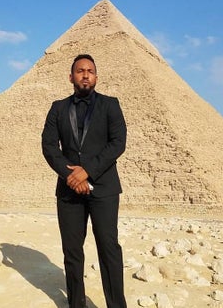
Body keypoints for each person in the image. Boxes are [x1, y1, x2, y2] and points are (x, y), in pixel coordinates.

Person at [42, 54, 127, 308]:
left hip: (104, 188)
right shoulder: (57, 108)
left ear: (96, 77)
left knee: (109, 249)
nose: (85, 74)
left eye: (90, 70)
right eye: (80, 71)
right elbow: (49, 146)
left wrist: (87, 170)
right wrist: (71, 175)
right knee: (72, 252)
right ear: (71, 77)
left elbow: (118, 143)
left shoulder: (111, 105)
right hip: (69, 191)